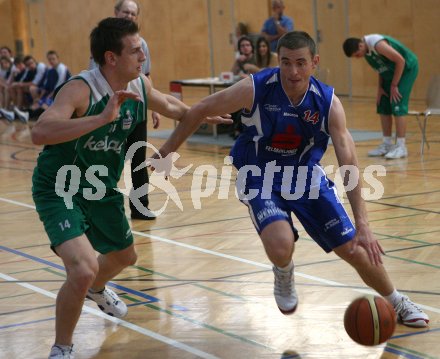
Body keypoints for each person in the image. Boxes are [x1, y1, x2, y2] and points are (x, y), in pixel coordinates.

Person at [156, 31, 429, 329]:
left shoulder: (328, 102)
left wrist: (363, 223)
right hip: (259, 175)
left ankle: (397, 300)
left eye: (301, 63)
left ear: (314, 62)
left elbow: (348, 161)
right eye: (286, 63)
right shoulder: (256, 88)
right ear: (278, 61)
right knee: (281, 242)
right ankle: (284, 272)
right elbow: (200, 109)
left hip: (305, 177)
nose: (293, 71)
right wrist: (167, 151)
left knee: (355, 248)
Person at [31, 17, 230, 359]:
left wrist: (200, 114)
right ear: (111, 58)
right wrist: (100, 119)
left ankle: (96, 288)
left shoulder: (139, 85)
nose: (142, 57)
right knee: (82, 267)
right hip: (60, 187)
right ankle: (62, 348)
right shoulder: (81, 89)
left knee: (125, 256)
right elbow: (40, 132)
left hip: (100, 187)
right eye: (136, 51)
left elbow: (172, 106)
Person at [89, 0, 159, 220]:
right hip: (110, 109)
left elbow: (146, 76)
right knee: (105, 156)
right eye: (126, 12)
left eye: (133, 14)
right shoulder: (104, 42)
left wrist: (154, 107)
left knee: (138, 156)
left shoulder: (141, 43)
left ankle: (140, 206)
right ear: (116, 12)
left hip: (135, 106)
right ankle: (97, 203)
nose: (129, 16)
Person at [343, 35, 418, 159]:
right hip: (392, 72)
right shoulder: (366, 51)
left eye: (357, 54)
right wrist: (380, 88)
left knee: (397, 103)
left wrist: (394, 85)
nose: (357, 58)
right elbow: (381, 69)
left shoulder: (378, 44)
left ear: (361, 45)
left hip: (407, 69)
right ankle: (387, 144)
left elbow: (401, 61)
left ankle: (401, 146)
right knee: (383, 103)